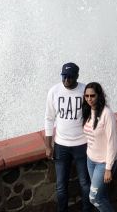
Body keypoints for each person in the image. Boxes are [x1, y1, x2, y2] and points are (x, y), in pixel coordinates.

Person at [45, 62, 93, 212]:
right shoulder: (54, 91)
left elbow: (94, 114)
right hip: (61, 146)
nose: (66, 80)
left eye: (70, 77)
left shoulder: (85, 91)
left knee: (85, 183)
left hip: (82, 145)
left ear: (77, 77)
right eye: (64, 76)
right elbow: (49, 118)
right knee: (60, 185)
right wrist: (48, 145)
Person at [82, 82, 117, 212]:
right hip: (91, 160)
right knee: (101, 196)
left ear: (99, 95)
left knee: (94, 198)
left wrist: (108, 168)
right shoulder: (87, 111)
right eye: (86, 96)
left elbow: (112, 142)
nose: (89, 99)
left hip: (104, 163)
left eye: (92, 95)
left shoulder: (107, 114)